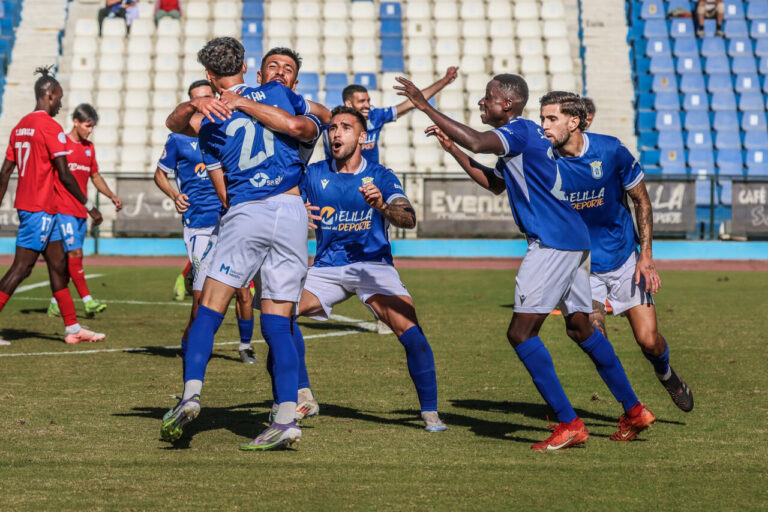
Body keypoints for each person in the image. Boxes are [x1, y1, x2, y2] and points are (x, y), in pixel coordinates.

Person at [397, 73, 654, 450]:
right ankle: (634, 410)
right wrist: (454, 151)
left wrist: (424, 105)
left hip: (550, 243)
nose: (483, 103)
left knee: (520, 334)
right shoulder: (527, 137)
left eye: (488, 98)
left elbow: (478, 140)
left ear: (509, 105)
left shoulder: (516, 131)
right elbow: (496, 183)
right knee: (581, 328)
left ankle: (569, 424)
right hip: (575, 240)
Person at [160, 37, 329, 451]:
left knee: (209, 306)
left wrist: (204, 104)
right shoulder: (280, 93)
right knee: (278, 321)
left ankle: (191, 395)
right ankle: (287, 418)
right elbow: (320, 116)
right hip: (291, 212)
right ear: (249, 65)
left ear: (209, 76)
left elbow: (174, 124)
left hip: (247, 210)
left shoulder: (214, 117)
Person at [269, 106, 446, 431]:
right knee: (279, 315)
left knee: (413, 334)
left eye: (346, 127)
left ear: (363, 137)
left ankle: (430, 413)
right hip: (326, 269)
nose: (336, 133)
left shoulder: (380, 175)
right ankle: (301, 394)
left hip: (373, 267)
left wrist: (382, 205)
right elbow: (281, 202)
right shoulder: (312, 174)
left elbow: (409, 219)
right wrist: (297, 211)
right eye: (333, 127)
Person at [539, 91, 694, 414]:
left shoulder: (610, 151)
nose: (544, 126)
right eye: (542, 119)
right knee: (597, 341)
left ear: (575, 121)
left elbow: (642, 200)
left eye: (551, 119)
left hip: (624, 258)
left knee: (649, 341)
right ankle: (632, 409)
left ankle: (666, 374)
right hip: (581, 266)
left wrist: (646, 255)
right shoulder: (543, 159)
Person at [154, 79, 259, 365]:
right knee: (202, 298)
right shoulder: (178, 139)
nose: (200, 106)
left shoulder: (228, 131)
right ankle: (191, 345)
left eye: (205, 98)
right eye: (195, 101)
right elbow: (159, 174)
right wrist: (175, 195)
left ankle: (245, 346)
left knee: (243, 292)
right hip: (199, 223)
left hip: (231, 220)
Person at [0, 67, 105, 345]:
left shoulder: (20, 126)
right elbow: (65, 172)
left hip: (40, 208)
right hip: (39, 209)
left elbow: (4, 173)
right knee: (21, 269)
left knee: (59, 265)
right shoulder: (49, 127)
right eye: (59, 97)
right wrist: (88, 206)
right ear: (49, 94)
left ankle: (72, 328)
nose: (60, 103)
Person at [46, 103, 122, 319]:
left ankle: (55, 302)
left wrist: (111, 196)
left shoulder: (88, 148)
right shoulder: (62, 144)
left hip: (81, 210)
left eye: (93, 126)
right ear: (76, 122)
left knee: (71, 259)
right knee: (74, 254)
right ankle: (88, 301)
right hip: (62, 209)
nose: (90, 130)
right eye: (88, 125)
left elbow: (95, 176)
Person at [322, 67, 459, 165]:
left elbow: (411, 104)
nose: (367, 105)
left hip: (369, 179)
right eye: (362, 101)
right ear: (348, 103)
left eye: (368, 100)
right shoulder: (332, 122)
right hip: (338, 178)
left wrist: (445, 81)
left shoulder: (375, 116)